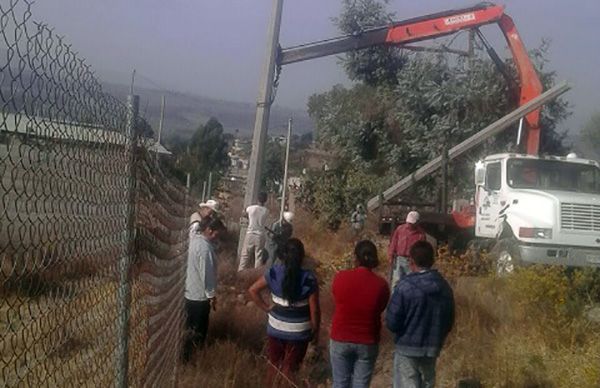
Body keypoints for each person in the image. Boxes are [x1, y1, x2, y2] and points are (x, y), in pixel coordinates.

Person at [248, 238, 320, 386]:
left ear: (282, 255)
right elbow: (315, 308)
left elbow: (253, 290)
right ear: (302, 256)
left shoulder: (273, 272)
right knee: (291, 368)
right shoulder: (309, 278)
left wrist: (267, 308)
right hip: (300, 332)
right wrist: (315, 330)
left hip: (276, 328)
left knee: (274, 365)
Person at [385, 241, 455, 388]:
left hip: (406, 346)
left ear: (411, 261)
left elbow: (392, 321)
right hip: (431, 348)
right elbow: (449, 320)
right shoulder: (444, 287)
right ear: (432, 260)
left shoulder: (405, 286)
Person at [329, 240, 390, 388]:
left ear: (355, 257)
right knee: (361, 385)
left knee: (340, 383)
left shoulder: (340, 277)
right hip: (367, 339)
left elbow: (337, 300)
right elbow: (380, 308)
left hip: (341, 336)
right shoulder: (381, 285)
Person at [182, 216, 226, 363]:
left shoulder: (194, 241)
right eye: (216, 233)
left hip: (189, 292)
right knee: (198, 331)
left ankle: (186, 357)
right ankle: (193, 359)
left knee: (189, 328)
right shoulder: (205, 248)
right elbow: (206, 274)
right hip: (199, 297)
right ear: (208, 230)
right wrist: (211, 295)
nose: (216, 236)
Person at [388, 211, 426, 287]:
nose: (409, 225)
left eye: (412, 223)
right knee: (396, 282)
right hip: (399, 259)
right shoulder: (400, 229)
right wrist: (391, 254)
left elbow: (422, 250)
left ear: (417, 223)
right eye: (409, 222)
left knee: (411, 283)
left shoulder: (421, 234)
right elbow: (394, 242)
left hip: (411, 261)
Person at [239, 191, 269, 271]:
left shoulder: (251, 208)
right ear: (266, 200)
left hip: (250, 233)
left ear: (257, 199)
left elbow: (244, 213)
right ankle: (256, 274)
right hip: (260, 235)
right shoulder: (266, 211)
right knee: (258, 256)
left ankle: (240, 272)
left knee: (245, 255)